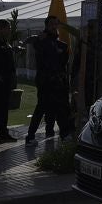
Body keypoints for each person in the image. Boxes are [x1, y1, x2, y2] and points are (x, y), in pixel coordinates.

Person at [27, 17, 73, 146]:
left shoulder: (61, 44)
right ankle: (30, 137)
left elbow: (62, 63)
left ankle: (64, 134)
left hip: (58, 82)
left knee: (61, 108)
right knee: (41, 108)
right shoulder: (41, 40)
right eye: (51, 24)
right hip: (45, 82)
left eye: (56, 24)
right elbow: (44, 59)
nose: (54, 26)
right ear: (46, 26)